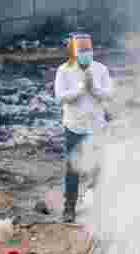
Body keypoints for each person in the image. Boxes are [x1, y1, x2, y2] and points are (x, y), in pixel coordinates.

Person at [53, 33, 113, 223]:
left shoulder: (101, 69)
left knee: (98, 167)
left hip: (96, 126)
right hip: (75, 126)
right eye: (82, 51)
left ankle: (98, 206)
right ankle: (69, 208)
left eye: (89, 50)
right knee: (73, 169)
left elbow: (108, 93)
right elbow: (60, 96)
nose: (86, 54)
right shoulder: (64, 70)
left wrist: (94, 88)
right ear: (74, 52)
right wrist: (79, 90)